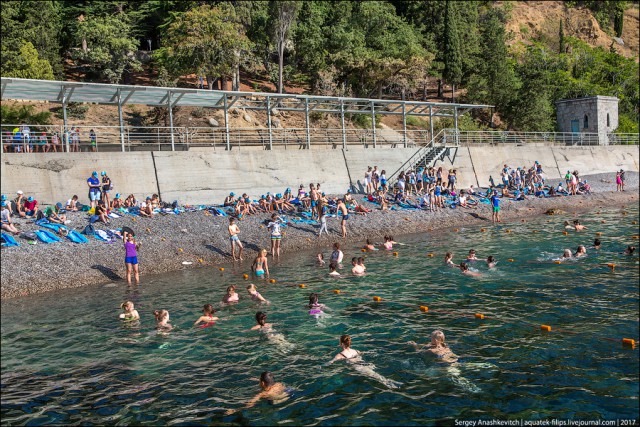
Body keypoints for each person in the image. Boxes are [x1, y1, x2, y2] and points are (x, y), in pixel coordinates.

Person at [327, 334, 402, 389]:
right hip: (366, 364)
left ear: (341, 344)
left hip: (359, 367)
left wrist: (322, 365)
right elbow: (364, 353)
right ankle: (391, 382)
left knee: (377, 377)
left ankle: (391, 385)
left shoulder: (340, 355)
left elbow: (331, 362)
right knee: (377, 375)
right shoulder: (356, 351)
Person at [225, 372, 291, 415]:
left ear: (262, 383)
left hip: (274, 403)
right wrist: (257, 379)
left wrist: (234, 410)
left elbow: (250, 405)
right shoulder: (279, 384)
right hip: (288, 395)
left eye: (259, 380)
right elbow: (268, 382)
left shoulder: (264, 393)